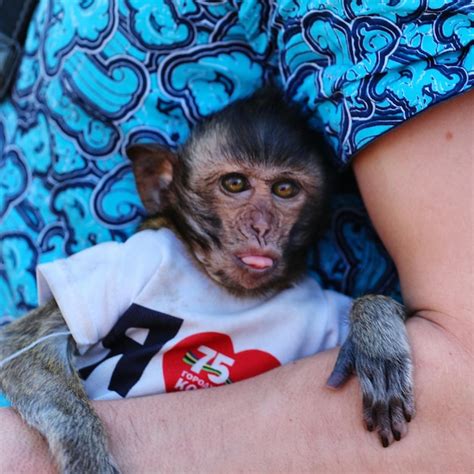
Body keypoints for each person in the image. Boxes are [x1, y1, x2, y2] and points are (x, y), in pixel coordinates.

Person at [0, 1, 472, 471]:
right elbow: (21, 349)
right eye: (234, 186)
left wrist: (40, 459)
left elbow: (454, 367)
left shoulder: (314, 313)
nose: (261, 223)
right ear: (161, 183)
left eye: (285, 192)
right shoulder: (152, 262)